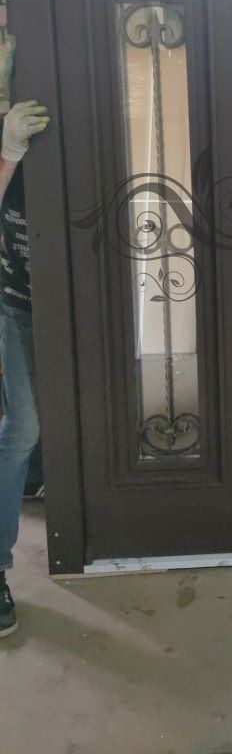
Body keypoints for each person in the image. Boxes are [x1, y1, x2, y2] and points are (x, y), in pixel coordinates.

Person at [0, 33, 49, 636]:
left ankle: (37, 476)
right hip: (14, 298)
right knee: (23, 428)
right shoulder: (10, 127)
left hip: (69, 300)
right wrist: (7, 149)